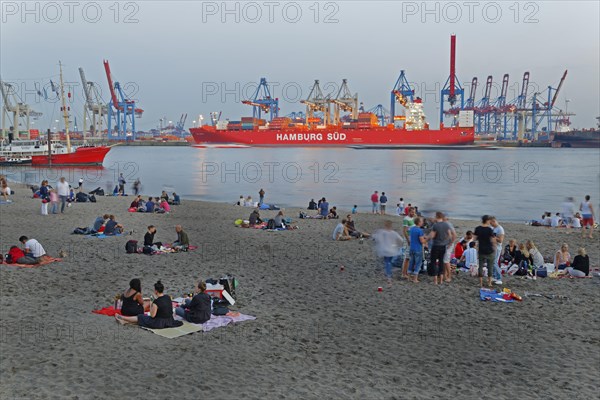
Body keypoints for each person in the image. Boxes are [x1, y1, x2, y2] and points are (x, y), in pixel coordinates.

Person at [116, 281, 182, 329]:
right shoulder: (167, 297)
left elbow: (152, 315)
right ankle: (125, 321)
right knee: (143, 320)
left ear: (156, 291)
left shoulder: (156, 302)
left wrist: (151, 303)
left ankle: (123, 318)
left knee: (141, 317)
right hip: (169, 320)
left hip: (159, 323)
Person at [372, 220, 404, 285]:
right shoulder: (393, 233)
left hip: (385, 250)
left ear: (385, 225)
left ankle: (388, 276)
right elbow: (401, 240)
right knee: (389, 262)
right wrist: (398, 245)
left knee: (387, 262)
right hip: (391, 250)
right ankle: (389, 274)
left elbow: (377, 238)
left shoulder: (382, 232)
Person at [428, 212, 455, 285]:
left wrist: (427, 237)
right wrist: (445, 240)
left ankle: (435, 280)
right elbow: (450, 235)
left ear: (437, 216)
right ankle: (441, 280)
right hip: (443, 246)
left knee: (433, 262)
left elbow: (432, 236)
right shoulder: (446, 224)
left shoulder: (435, 225)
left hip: (436, 245)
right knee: (441, 262)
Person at [473, 215, 496, 287]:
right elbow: (493, 240)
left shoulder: (478, 228)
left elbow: (474, 239)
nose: (490, 222)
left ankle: (480, 283)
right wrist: (494, 247)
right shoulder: (489, 229)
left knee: (480, 266)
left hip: (481, 249)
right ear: (487, 220)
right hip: (489, 250)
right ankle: (489, 283)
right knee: (490, 266)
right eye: (489, 220)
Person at [408, 216, 427, 282]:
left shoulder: (412, 229)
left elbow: (410, 238)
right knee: (418, 263)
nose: (423, 222)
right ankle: (415, 279)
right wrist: (426, 240)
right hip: (418, 249)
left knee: (411, 262)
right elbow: (421, 241)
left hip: (412, 247)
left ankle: (409, 277)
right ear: (419, 222)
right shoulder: (420, 230)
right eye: (422, 221)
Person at [401, 207, 416, 279]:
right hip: (408, 239)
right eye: (412, 212)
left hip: (412, 238)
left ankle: (407, 272)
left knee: (410, 256)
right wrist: (408, 240)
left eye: (414, 212)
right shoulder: (406, 219)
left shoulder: (413, 219)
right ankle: (404, 273)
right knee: (407, 257)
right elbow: (404, 231)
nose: (413, 213)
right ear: (409, 212)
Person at [489, 216, 505, 285]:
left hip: (497, 248)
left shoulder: (500, 229)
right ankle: (494, 277)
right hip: (492, 247)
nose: (490, 224)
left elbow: (501, 240)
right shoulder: (493, 228)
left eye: (491, 223)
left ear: (494, 221)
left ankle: (499, 278)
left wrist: (493, 237)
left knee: (494, 262)